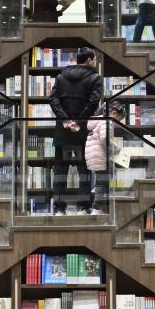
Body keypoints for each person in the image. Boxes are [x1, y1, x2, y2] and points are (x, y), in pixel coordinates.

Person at [49, 47, 102, 215]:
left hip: (63, 131)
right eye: (94, 59)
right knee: (84, 171)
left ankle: (58, 209)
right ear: (88, 60)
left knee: (60, 171)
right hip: (83, 131)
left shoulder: (61, 77)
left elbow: (53, 100)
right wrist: (78, 122)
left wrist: (66, 120)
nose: (94, 62)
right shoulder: (95, 78)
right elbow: (94, 102)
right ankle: (83, 207)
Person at [84, 102, 126, 215]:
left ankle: (96, 188)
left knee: (107, 174)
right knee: (104, 180)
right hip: (100, 156)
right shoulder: (107, 122)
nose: (119, 122)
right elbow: (105, 139)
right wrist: (117, 148)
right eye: (119, 118)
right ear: (113, 113)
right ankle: (96, 208)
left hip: (93, 155)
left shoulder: (98, 122)